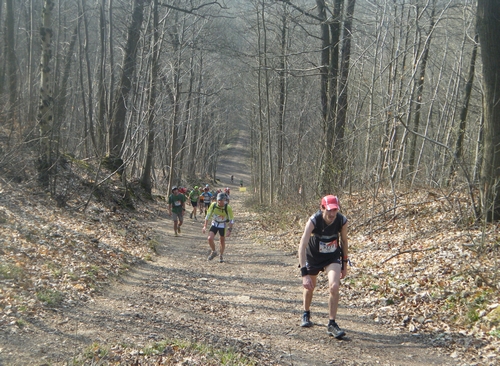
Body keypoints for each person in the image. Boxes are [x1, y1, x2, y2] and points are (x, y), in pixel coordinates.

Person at [298, 195, 349, 338]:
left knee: (334, 286)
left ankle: (332, 324)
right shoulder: (314, 221)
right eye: (329, 210)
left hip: (332, 256)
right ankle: (306, 312)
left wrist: (344, 264)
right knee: (310, 286)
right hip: (314, 256)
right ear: (322, 208)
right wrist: (304, 274)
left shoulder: (341, 221)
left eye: (335, 210)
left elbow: (344, 241)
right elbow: (302, 246)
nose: (332, 214)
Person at [203, 192, 234, 263]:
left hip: (222, 225)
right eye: (218, 200)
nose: (220, 202)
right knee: (210, 238)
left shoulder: (227, 207)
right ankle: (214, 251)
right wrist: (205, 226)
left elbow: (231, 219)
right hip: (214, 223)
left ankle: (221, 255)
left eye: (221, 200)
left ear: (224, 200)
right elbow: (208, 215)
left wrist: (229, 229)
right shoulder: (213, 205)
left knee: (222, 240)